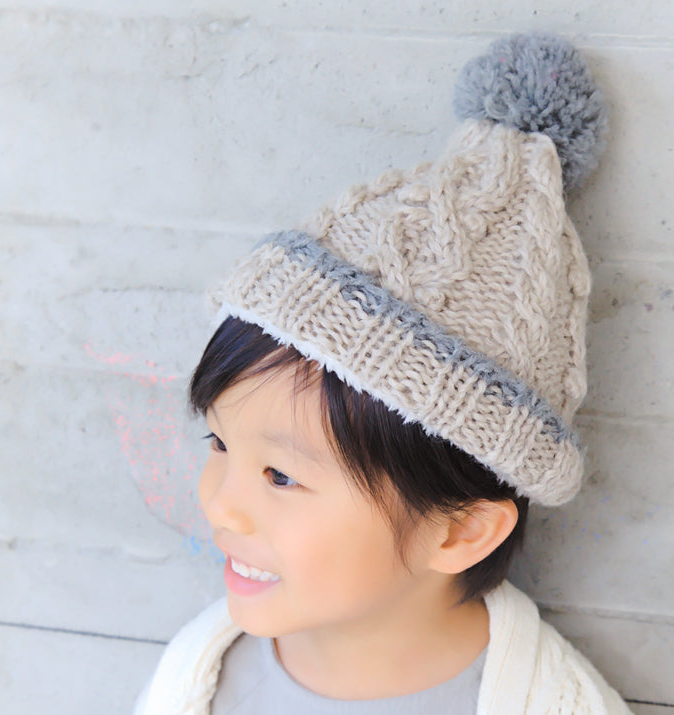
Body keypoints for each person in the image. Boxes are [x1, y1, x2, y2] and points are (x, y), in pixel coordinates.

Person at [134, 33, 632, 714]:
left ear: (458, 531)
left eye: (280, 475)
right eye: (218, 442)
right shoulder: (196, 678)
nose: (219, 503)